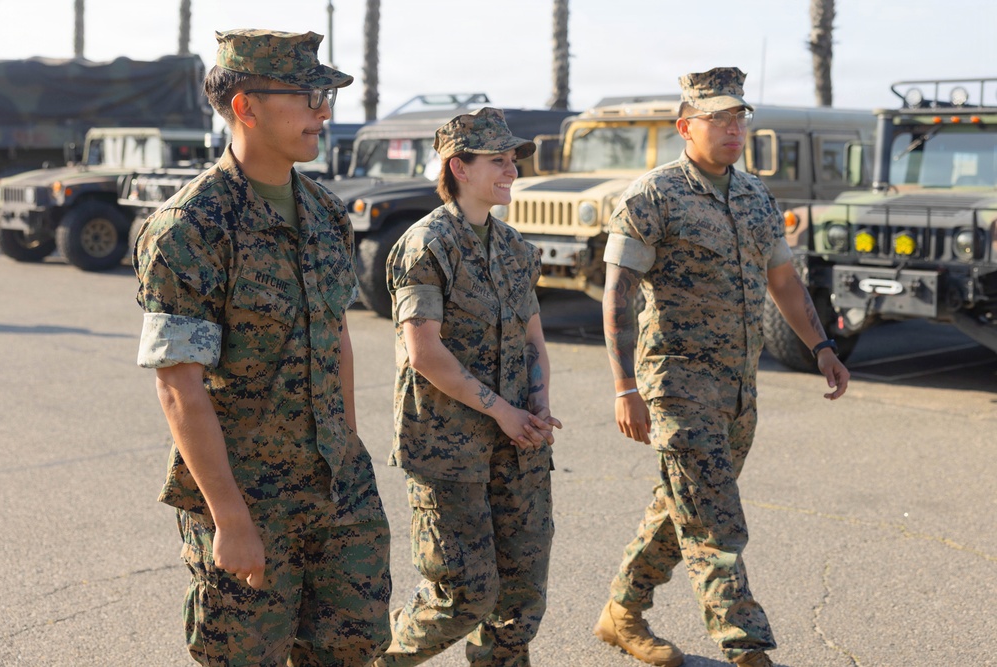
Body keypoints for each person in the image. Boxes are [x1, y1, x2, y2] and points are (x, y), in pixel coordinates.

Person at [133, 29, 391, 667]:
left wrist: (349, 446)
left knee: (352, 647)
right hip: (248, 494)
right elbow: (178, 385)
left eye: (323, 96)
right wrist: (230, 519)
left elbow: (336, 335)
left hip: (337, 484)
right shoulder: (190, 228)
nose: (323, 113)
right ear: (245, 105)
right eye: (308, 97)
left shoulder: (328, 213)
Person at [593, 68, 850, 667]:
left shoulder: (756, 195)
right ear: (686, 126)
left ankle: (621, 611)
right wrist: (624, 387)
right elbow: (617, 296)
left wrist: (822, 348)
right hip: (676, 385)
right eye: (720, 119)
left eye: (740, 119)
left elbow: (783, 280)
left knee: (682, 503)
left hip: (737, 387)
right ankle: (747, 646)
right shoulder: (651, 196)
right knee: (716, 523)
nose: (735, 130)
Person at [375, 107, 562, 667]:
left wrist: (538, 407)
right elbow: (424, 352)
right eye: (498, 161)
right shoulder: (427, 245)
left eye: (513, 161)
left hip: (518, 442)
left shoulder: (511, 246)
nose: (511, 171)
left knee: (521, 596)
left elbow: (533, 340)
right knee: (463, 596)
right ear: (458, 166)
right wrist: (501, 410)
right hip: (447, 446)